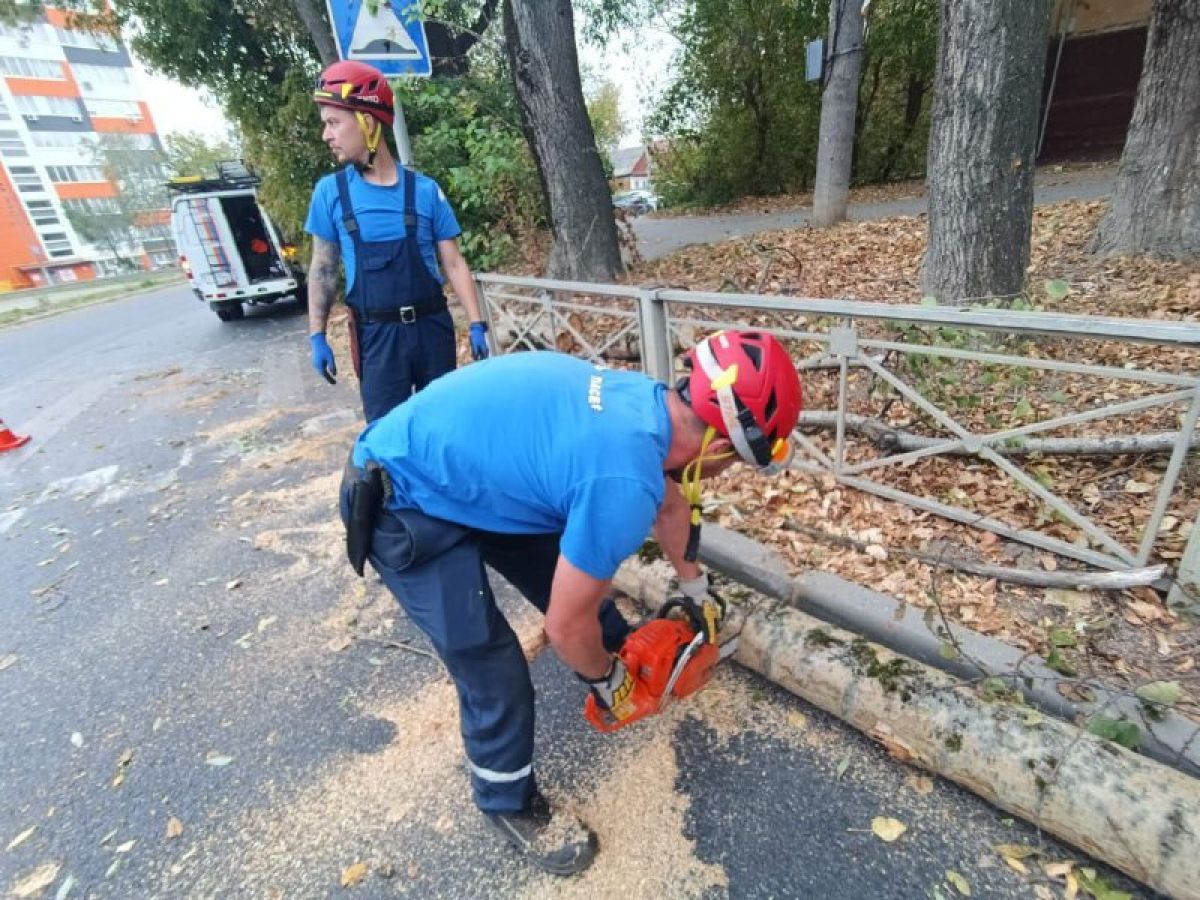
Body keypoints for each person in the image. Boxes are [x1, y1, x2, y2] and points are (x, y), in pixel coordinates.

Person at [339, 330, 803, 875]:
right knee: (493, 666)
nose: (727, 472)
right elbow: (562, 627)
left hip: (479, 480)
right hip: (403, 498)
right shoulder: (623, 483)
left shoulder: (649, 405)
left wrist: (697, 590)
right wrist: (608, 683)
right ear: (720, 447)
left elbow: (673, 505)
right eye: (738, 463)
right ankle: (506, 799)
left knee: (590, 608)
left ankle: (616, 655)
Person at [304, 60, 490, 422]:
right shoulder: (331, 193)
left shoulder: (424, 191)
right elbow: (323, 268)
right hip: (377, 339)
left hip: (431, 332)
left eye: (333, 123)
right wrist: (317, 335)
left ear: (367, 121)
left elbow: (453, 262)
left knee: (443, 430)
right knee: (388, 441)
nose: (326, 135)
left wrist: (477, 322)